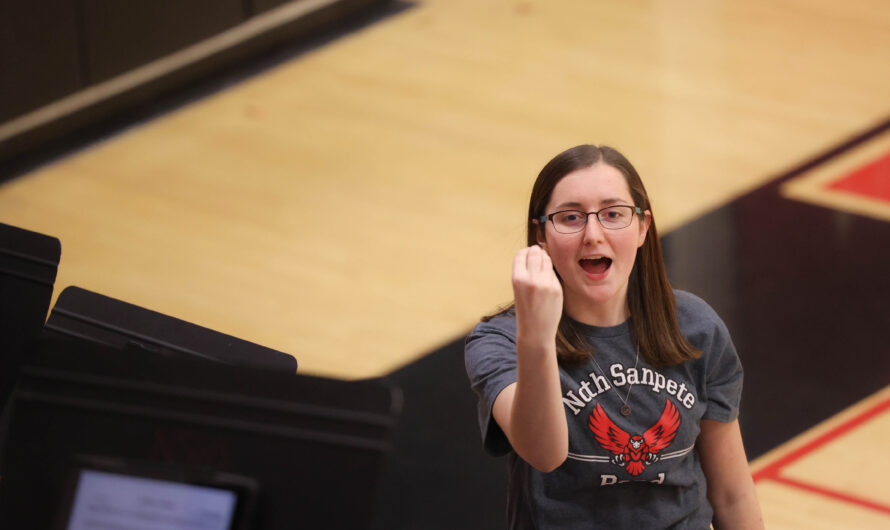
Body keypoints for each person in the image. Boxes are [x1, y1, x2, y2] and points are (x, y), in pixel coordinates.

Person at [465, 145, 764, 529]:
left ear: (642, 227)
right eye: (570, 217)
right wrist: (537, 338)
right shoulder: (500, 341)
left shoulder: (696, 327)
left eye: (613, 214)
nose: (593, 234)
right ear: (541, 235)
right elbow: (543, 454)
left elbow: (732, 495)